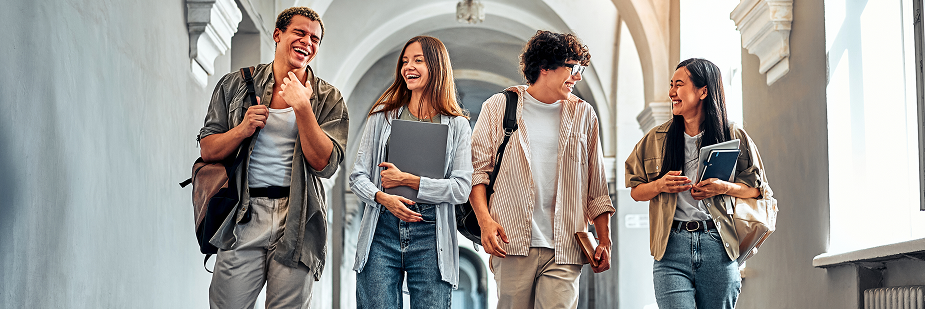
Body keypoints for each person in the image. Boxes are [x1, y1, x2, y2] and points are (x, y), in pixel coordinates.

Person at [198, 7, 348, 309]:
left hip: (298, 218)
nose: (308, 42)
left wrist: (303, 109)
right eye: (300, 32)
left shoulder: (328, 98)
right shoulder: (236, 85)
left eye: (315, 39)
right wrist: (242, 130)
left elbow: (326, 164)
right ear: (278, 34)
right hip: (243, 215)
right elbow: (208, 149)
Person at [469, 30, 615, 309]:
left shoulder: (585, 115)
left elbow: (596, 187)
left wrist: (605, 240)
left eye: (581, 69)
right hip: (510, 240)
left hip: (566, 244)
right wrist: (485, 222)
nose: (578, 76)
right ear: (545, 67)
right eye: (573, 68)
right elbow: (478, 173)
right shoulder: (499, 106)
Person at [624, 58, 773, 309]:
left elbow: (758, 190)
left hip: (718, 245)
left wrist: (724, 187)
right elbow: (636, 191)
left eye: (679, 85)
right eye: (671, 85)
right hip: (671, 249)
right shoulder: (655, 139)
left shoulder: (732, 135)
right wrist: (660, 185)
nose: (671, 92)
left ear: (703, 91)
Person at [349, 36, 472, 309]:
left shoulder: (458, 125)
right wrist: (383, 198)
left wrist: (409, 181)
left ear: (437, 67)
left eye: (418, 60)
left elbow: (461, 188)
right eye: (405, 61)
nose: (408, 67)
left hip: (432, 234)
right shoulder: (382, 116)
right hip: (382, 229)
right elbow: (357, 177)